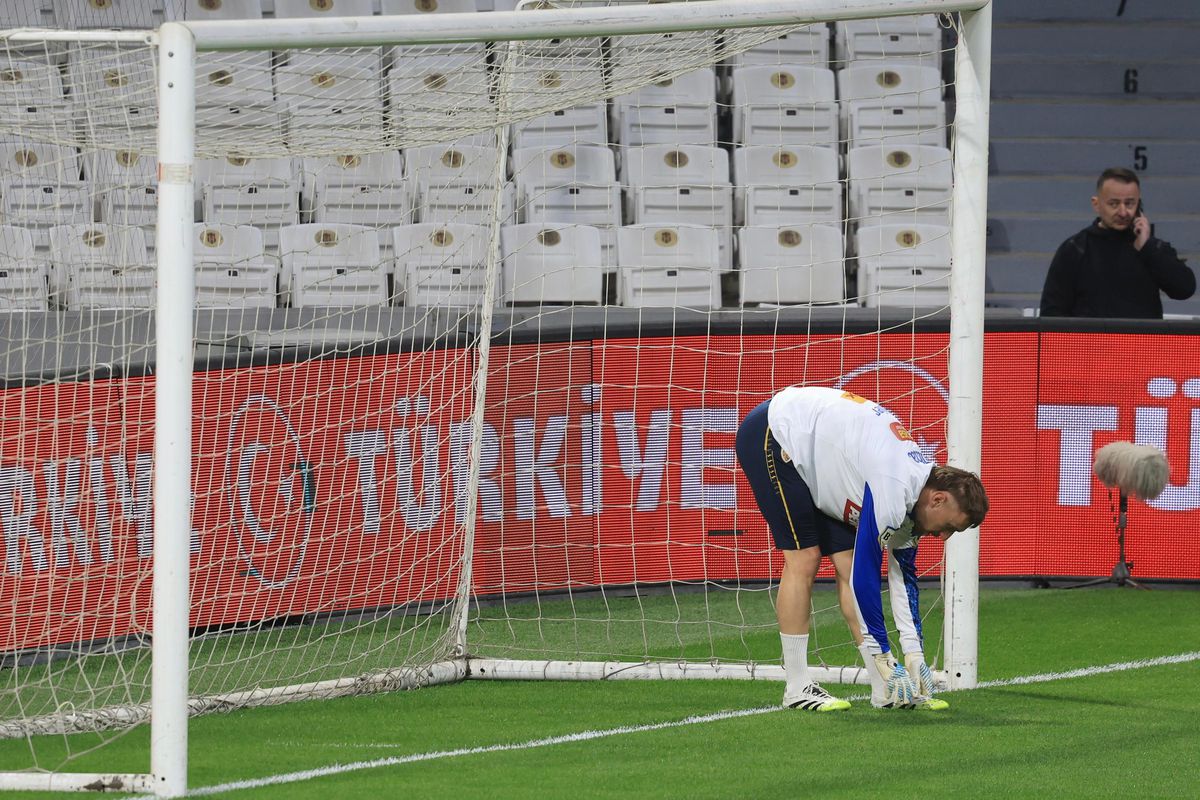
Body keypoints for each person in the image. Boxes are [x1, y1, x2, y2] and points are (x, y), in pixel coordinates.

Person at [735, 386, 989, 711]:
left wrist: (914, 654)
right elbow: (865, 577)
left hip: (820, 460)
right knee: (805, 558)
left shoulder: (915, 498)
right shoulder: (894, 488)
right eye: (950, 527)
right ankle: (797, 688)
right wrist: (883, 652)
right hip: (777, 432)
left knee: (848, 560)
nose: (943, 538)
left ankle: (884, 688)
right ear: (938, 499)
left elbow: (902, 580)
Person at [1040, 167, 1195, 318]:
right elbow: (1052, 313)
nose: (1123, 212)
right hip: (1091, 343)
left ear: (1139, 205)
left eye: (1129, 203)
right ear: (1096, 204)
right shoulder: (1076, 248)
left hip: (1141, 343)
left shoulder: (1151, 249)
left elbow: (1185, 289)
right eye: (1113, 204)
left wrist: (1147, 248)